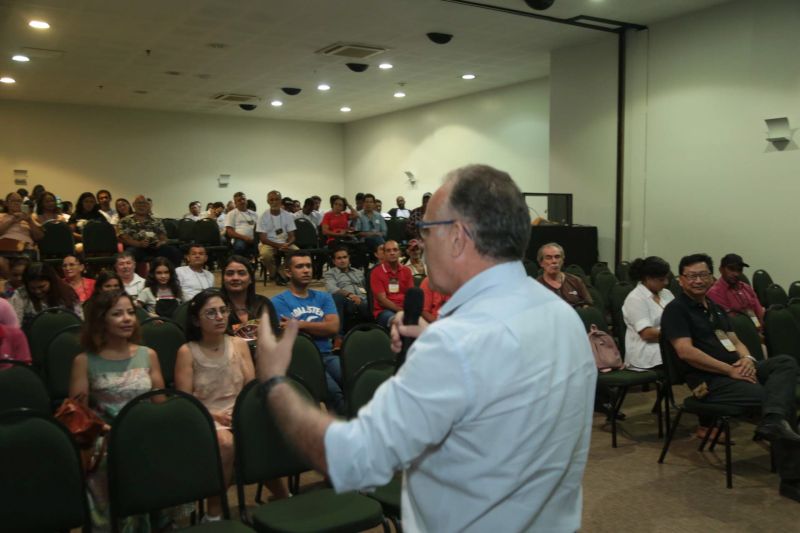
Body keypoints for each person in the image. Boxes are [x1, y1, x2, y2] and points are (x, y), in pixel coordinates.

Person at [254, 164, 596, 531]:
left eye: (424, 231)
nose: (416, 244)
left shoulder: (456, 343)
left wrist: (275, 383)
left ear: (458, 236)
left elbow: (352, 459)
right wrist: (430, 343)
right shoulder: (562, 315)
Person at [661, 253, 800, 502]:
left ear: (711, 277)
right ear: (681, 280)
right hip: (707, 382)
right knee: (777, 399)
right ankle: (792, 479)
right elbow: (686, 352)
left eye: (703, 275)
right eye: (691, 276)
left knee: (785, 363)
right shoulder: (676, 310)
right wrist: (729, 370)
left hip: (735, 369)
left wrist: (747, 360)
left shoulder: (713, 308)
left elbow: (735, 341)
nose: (698, 280)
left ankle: (773, 420)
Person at [174, 289, 287, 516]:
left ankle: (283, 496)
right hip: (205, 416)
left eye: (223, 311)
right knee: (226, 443)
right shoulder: (187, 351)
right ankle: (214, 511)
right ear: (196, 320)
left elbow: (250, 385)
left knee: (265, 429)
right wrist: (216, 416)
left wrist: (243, 413)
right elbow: (185, 399)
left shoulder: (239, 344)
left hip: (239, 410)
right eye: (211, 313)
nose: (219, 317)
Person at [68, 289, 165, 529]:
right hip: (105, 438)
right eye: (117, 314)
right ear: (101, 320)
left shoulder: (148, 355)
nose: (127, 319)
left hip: (144, 433)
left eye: (131, 313)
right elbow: (77, 414)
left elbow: (160, 405)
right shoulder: (85, 361)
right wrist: (107, 429)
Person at [272, 251, 344, 414]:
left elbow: (333, 327)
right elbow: (292, 335)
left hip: (327, 355)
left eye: (309, 266)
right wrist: (320, 327)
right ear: (288, 272)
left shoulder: (324, 297)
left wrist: (299, 324)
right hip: (301, 360)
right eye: (300, 266)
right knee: (334, 393)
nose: (306, 270)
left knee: (355, 382)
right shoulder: (277, 302)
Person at [622, 256, 673, 371]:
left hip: (668, 343)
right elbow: (647, 333)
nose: (666, 282)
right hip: (646, 351)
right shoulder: (635, 298)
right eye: (661, 279)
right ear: (647, 278)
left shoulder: (667, 294)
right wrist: (676, 334)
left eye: (666, 278)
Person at [219, 255, 278, 340]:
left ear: (250, 279)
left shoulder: (263, 303)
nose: (235, 278)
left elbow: (275, 335)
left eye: (241, 273)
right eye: (229, 273)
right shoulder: (216, 307)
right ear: (223, 279)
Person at [118, 195, 183, 268]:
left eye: (144, 204)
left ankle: (172, 275)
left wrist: (161, 242)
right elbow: (124, 238)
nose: (141, 206)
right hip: (136, 248)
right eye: (139, 203)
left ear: (148, 206)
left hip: (155, 247)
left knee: (174, 252)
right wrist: (139, 244)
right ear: (133, 205)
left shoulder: (156, 220)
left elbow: (163, 236)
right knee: (127, 256)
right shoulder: (125, 221)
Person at [323, 246, 371, 341]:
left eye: (345, 257)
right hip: (348, 302)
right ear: (334, 261)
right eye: (339, 258)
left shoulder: (358, 272)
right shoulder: (330, 274)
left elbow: (367, 287)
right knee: (336, 297)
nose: (342, 260)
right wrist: (350, 295)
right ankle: (338, 337)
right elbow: (331, 289)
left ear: (349, 258)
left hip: (364, 300)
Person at [10, 262, 82, 324]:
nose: (37, 291)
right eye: (32, 288)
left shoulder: (67, 293)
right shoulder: (20, 294)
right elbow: (15, 325)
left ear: (52, 282)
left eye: (41, 287)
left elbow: (79, 320)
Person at [707, 253, 765, 328]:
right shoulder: (715, 292)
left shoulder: (746, 287)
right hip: (739, 333)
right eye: (731, 269)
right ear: (721, 269)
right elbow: (732, 322)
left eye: (739, 270)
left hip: (758, 328)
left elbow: (759, 312)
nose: (736, 274)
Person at [257, 190, 297, 285]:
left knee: (297, 252)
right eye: (271, 200)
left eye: (277, 199)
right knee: (265, 255)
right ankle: (274, 274)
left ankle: (280, 270)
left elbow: (292, 236)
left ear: (281, 201)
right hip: (268, 243)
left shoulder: (287, 215)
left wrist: (288, 243)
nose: (274, 202)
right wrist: (278, 245)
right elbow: (263, 239)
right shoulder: (263, 216)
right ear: (268, 201)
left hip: (284, 243)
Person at [369, 239, 413, 328]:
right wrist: (401, 310)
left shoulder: (407, 270)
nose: (392, 253)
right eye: (388, 251)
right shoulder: (376, 272)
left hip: (405, 309)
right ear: (384, 254)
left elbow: (410, 295)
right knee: (398, 321)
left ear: (400, 253)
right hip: (384, 311)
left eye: (395, 250)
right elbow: (382, 301)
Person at [0, 192, 44, 278]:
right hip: (4, 249)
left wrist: (29, 220)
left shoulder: (30, 218)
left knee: (23, 266)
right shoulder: (2, 216)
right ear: (6, 203)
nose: (16, 203)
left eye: (19, 201)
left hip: (25, 249)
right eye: (13, 201)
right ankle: (13, 286)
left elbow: (39, 236)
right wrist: (13, 219)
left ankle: (15, 286)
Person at [536, 242, 593, 308]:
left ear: (562, 260)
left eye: (557, 257)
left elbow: (588, 304)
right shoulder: (536, 286)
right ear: (541, 263)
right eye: (548, 258)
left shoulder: (575, 280)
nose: (554, 261)